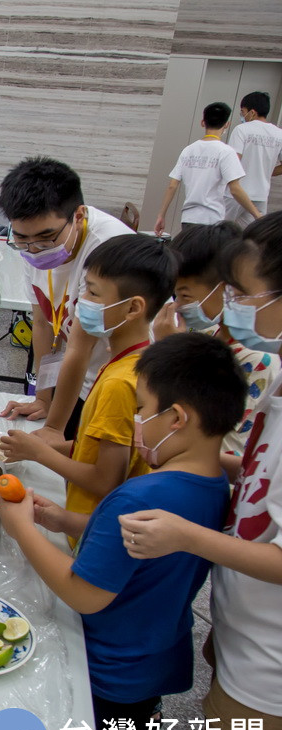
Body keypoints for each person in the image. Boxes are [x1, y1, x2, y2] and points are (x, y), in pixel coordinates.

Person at [0, 332, 245, 730]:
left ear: (177, 418)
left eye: (142, 409)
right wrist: (62, 520)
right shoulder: (213, 486)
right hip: (152, 652)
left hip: (109, 663)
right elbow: (135, 545)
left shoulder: (141, 494)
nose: (136, 422)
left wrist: (22, 528)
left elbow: (85, 592)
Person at [119, 212, 282, 730]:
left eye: (242, 293)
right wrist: (213, 463)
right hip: (246, 632)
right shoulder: (276, 390)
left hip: (272, 663)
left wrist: (186, 534)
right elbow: (265, 483)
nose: (231, 307)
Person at [1, 235, 176, 533]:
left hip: (94, 529)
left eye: (93, 294)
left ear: (133, 308)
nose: (82, 303)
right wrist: (56, 448)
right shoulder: (136, 361)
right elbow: (104, 452)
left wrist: (39, 453)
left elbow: (107, 479)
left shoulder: (120, 383)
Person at [0, 157, 131, 444]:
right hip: (77, 377)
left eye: (46, 238)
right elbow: (45, 325)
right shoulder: (31, 246)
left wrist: (55, 428)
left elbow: (82, 348)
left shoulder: (108, 250)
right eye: (22, 239)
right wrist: (43, 398)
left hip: (119, 385)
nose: (35, 250)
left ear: (79, 215)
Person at [152, 221, 275, 458]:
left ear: (225, 288)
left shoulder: (257, 359)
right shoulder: (206, 335)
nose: (177, 305)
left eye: (185, 294)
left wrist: (171, 353)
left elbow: (215, 440)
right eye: (175, 294)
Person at [155, 102, 260, 236]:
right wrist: (257, 214)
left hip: (188, 218)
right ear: (226, 124)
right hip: (212, 221)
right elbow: (235, 189)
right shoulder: (226, 152)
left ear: (202, 122)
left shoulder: (188, 150)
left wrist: (161, 215)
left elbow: (172, 185)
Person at [225, 91, 282, 226]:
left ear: (252, 112)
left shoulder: (242, 130)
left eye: (242, 111)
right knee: (251, 236)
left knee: (220, 231)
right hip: (261, 195)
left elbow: (233, 160)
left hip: (236, 194)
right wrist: (268, 172)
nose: (242, 115)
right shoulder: (279, 134)